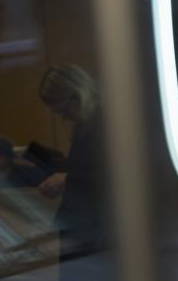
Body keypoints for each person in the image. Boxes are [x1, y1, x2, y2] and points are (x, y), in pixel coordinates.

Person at [37, 64, 108, 260]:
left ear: (76, 95)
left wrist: (67, 179)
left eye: (63, 110)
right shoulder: (88, 122)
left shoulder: (103, 122)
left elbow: (114, 177)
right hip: (84, 230)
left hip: (91, 232)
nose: (63, 117)